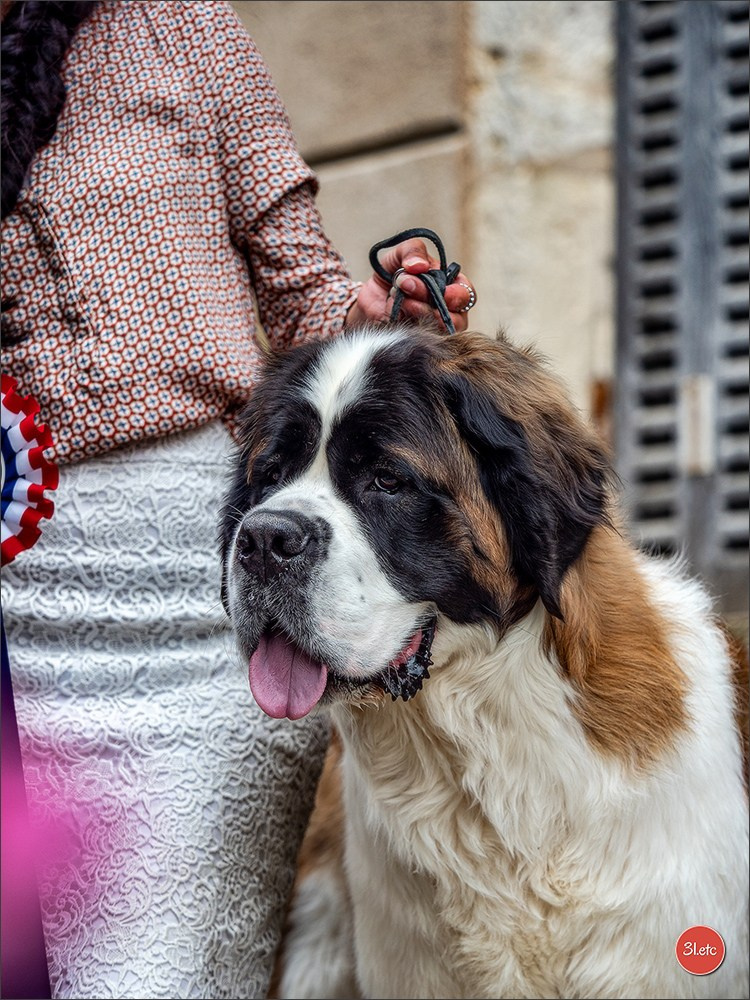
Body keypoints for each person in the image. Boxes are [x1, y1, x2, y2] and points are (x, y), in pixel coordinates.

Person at [0, 2, 476, 998]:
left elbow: (304, 293)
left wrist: (384, 318)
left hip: (213, 609)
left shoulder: (179, 25)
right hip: (16, 635)